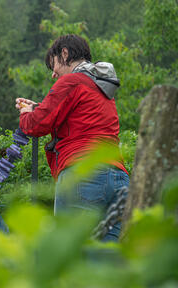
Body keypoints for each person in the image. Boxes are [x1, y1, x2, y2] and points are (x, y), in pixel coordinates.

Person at [15, 34, 129, 241]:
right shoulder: (102, 88)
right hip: (119, 178)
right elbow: (76, 120)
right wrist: (37, 108)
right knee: (110, 259)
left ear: (65, 54)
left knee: (73, 253)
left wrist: (25, 113)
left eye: (53, 66)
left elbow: (36, 125)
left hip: (84, 175)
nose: (53, 75)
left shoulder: (71, 81)